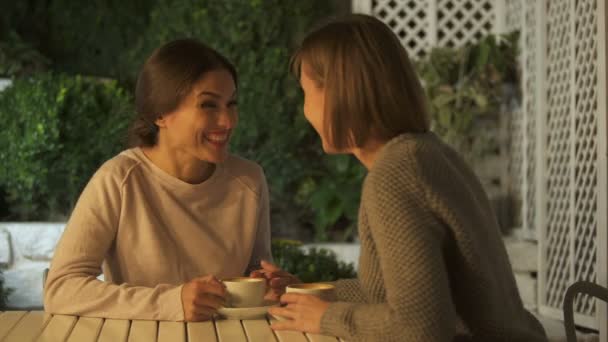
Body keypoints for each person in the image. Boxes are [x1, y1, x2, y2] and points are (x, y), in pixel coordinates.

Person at [253, 14, 548, 341]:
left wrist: (327, 318)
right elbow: (391, 293)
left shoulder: (395, 175)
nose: (304, 110)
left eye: (306, 93)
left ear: (340, 93)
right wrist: (309, 292)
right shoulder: (425, 153)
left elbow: (419, 328)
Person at [44, 39, 272, 322]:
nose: (227, 121)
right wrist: (169, 303)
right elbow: (61, 289)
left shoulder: (249, 180)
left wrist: (269, 283)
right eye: (208, 105)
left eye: (231, 104)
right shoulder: (120, 180)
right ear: (159, 114)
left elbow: (255, 274)